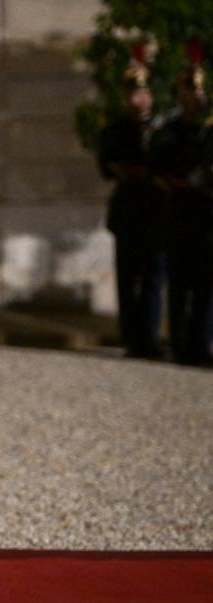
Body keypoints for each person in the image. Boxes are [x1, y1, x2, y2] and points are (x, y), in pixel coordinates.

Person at [98, 49, 165, 359]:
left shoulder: (162, 128)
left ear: (149, 95)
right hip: (128, 211)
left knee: (153, 277)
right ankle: (131, 337)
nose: (136, 99)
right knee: (127, 278)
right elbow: (106, 164)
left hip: (156, 210)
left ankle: (149, 337)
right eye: (132, 93)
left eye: (141, 92)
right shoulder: (116, 128)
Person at [149, 47, 213, 366]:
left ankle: (202, 344)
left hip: (206, 218)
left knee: (205, 287)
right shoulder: (168, 132)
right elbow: (158, 168)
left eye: (199, 90)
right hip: (179, 216)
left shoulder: (208, 132)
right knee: (179, 285)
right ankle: (179, 343)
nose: (195, 97)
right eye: (190, 90)